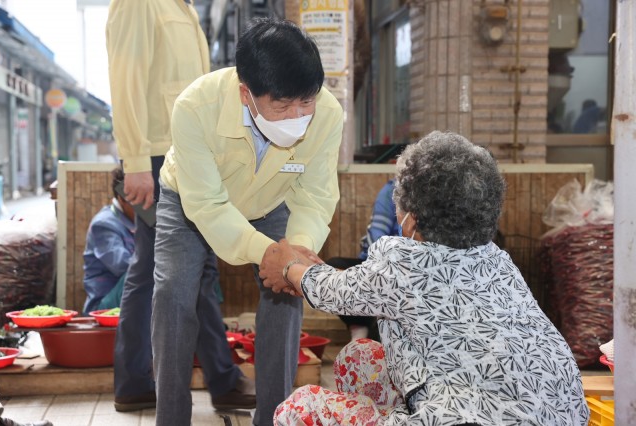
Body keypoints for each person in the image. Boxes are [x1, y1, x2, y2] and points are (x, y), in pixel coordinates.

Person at [260, 131, 590, 425]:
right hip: (557, 413)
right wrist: (309, 271)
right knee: (358, 357)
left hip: (465, 416)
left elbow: (329, 290)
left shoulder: (404, 260)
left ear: (411, 218)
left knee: (298, 408)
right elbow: (361, 286)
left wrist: (287, 267)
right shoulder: (498, 261)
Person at [152, 18, 343, 426]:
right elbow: (208, 204)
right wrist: (268, 252)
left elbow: (315, 194)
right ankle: (170, 418)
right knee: (173, 294)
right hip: (189, 199)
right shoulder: (194, 107)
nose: (298, 115)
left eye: (305, 102)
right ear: (246, 93)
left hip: (273, 200)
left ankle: (274, 417)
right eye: (282, 105)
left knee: (287, 291)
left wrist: (295, 254)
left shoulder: (327, 113)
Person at [105, 0, 234, 413]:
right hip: (159, 156)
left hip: (186, 152)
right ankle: (221, 379)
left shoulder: (185, 8)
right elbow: (125, 81)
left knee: (153, 270)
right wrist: (136, 163)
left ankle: (135, 380)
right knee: (188, 268)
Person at [326, 179, 398, 340]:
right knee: (332, 268)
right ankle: (359, 325)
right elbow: (376, 237)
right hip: (381, 264)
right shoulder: (391, 191)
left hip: (410, 272)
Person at [82, 167, 135, 315]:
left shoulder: (139, 221)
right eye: (137, 199)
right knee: (142, 272)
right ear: (121, 199)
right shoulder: (104, 224)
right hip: (104, 306)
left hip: (128, 300)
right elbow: (123, 266)